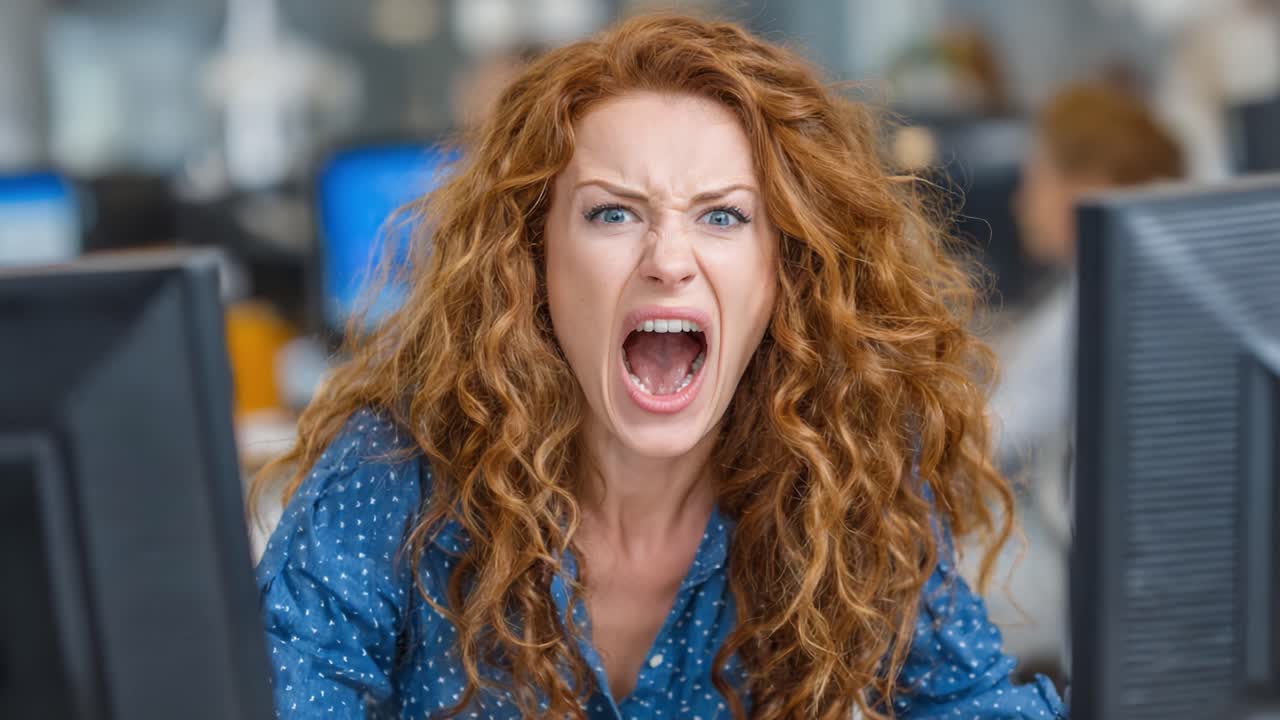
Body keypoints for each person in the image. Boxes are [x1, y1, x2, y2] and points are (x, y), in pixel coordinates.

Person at [253, 14, 1065, 720]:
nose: (669, 259)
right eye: (613, 213)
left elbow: (969, 702)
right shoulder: (393, 472)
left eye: (723, 215)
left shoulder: (848, 467)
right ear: (532, 263)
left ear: (785, 270)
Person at [978, 82, 1184, 670]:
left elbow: (976, 440)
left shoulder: (1101, 301)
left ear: (1086, 188)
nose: (1021, 202)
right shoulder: (1106, 287)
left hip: (1080, 572)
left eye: (1035, 178)